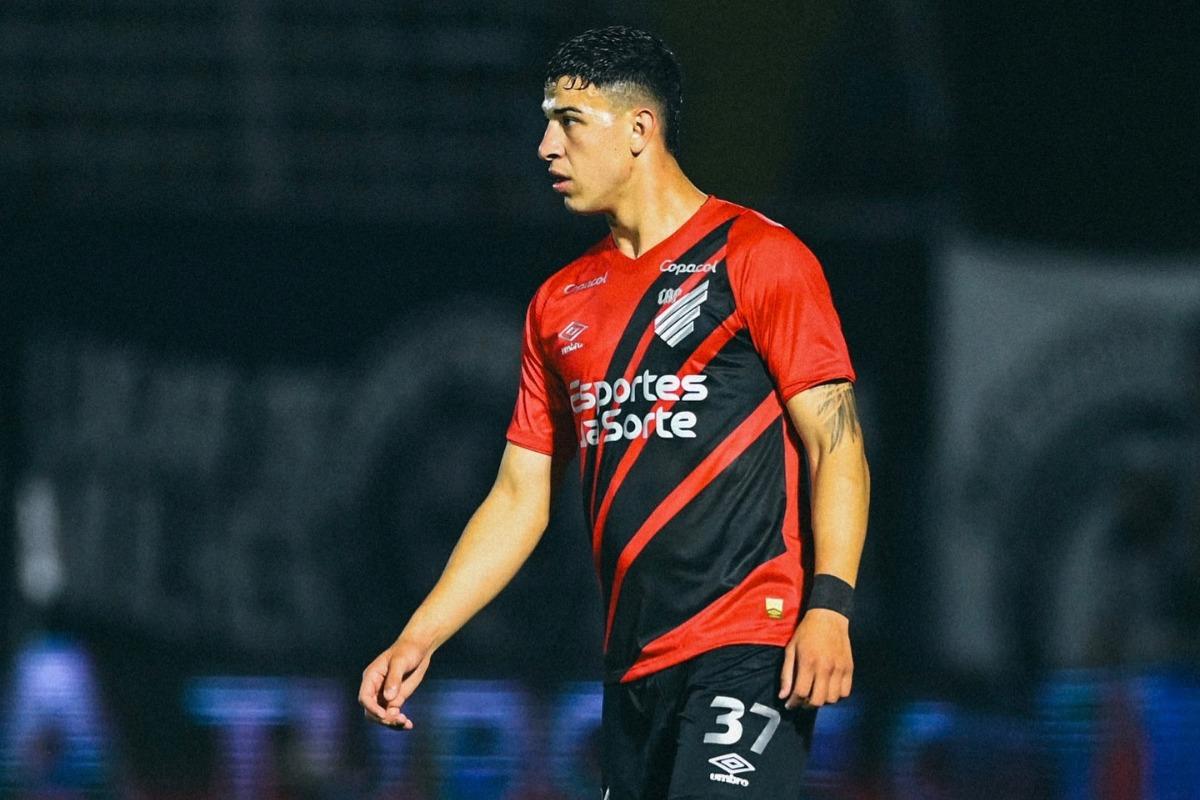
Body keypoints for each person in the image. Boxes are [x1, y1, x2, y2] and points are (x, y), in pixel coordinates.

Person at [359, 25, 870, 798]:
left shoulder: (758, 257)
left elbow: (837, 444)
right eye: (546, 123)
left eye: (568, 122)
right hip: (632, 668)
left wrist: (829, 606)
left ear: (639, 129)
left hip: (751, 643)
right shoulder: (558, 303)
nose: (545, 148)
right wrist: (420, 635)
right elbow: (519, 496)